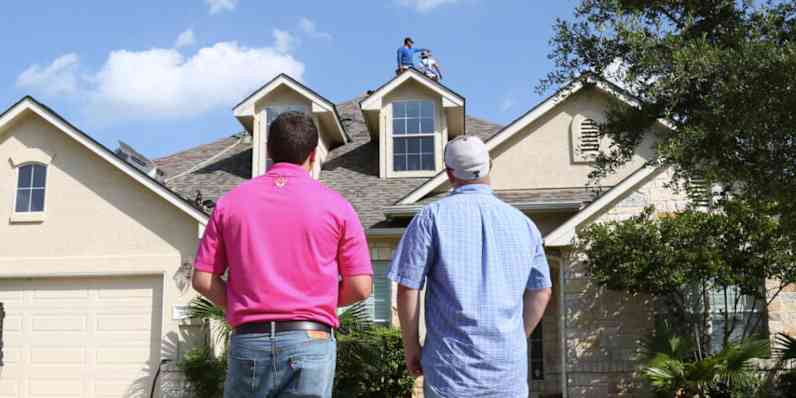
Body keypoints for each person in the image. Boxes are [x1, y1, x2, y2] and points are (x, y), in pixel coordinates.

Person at [192, 111, 373, 398]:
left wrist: (242, 304)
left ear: (267, 150)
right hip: (310, 336)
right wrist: (315, 301)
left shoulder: (230, 204)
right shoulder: (337, 206)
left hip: (250, 338)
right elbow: (360, 287)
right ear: (313, 154)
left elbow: (203, 280)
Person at [387, 135, 553, 398]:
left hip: (451, 374)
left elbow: (407, 288)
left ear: (449, 173)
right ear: (490, 165)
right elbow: (541, 291)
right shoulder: (524, 224)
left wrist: (411, 348)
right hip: (507, 375)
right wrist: (516, 337)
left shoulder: (431, 218)